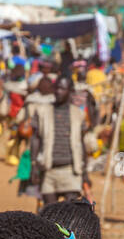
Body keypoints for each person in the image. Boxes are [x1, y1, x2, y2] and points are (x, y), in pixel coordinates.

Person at [30, 75, 86, 205]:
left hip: (71, 171)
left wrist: (85, 173)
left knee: (70, 215)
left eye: (62, 89)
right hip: (49, 170)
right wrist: (34, 166)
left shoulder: (78, 114)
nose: (58, 92)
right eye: (56, 88)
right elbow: (35, 139)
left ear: (70, 91)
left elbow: (81, 143)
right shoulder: (42, 111)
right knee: (49, 216)